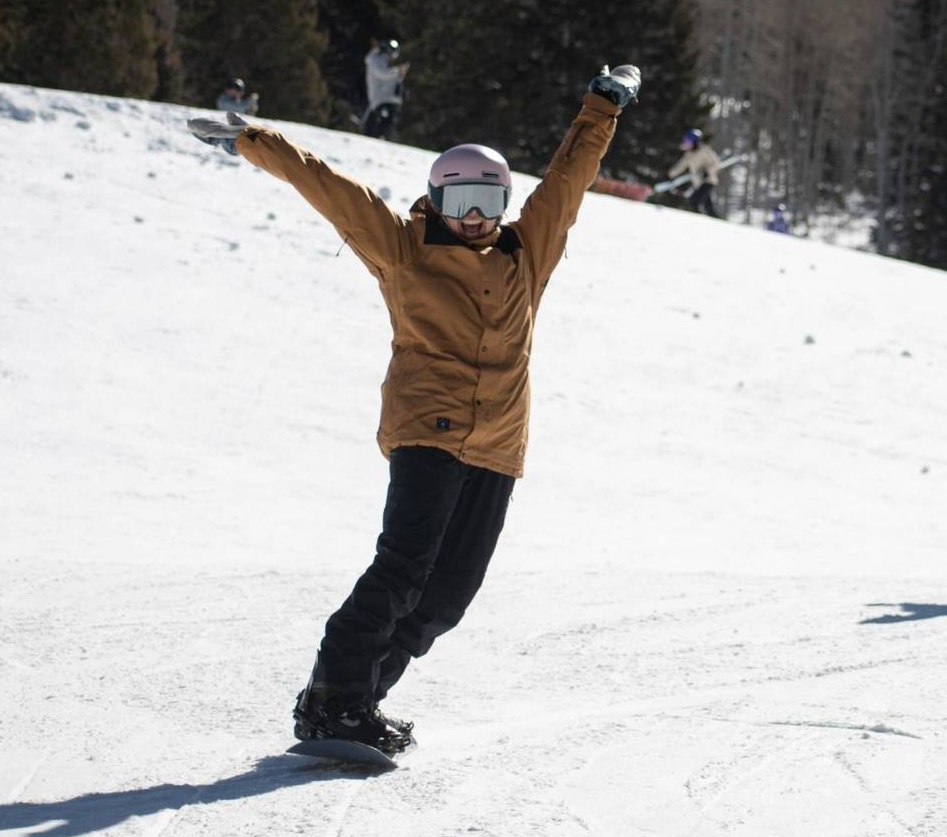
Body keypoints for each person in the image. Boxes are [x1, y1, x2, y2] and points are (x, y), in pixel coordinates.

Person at [187, 62, 642, 756]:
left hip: (497, 444)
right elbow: (332, 191)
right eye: (460, 201)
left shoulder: (526, 252)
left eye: (487, 203)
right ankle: (332, 694)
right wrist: (256, 142)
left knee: (447, 597)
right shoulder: (404, 247)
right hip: (428, 428)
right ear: (436, 198)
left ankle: (355, 703)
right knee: (404, 565)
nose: (474, 217)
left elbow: (568, 182)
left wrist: (602, 108)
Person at [668, 128, 721, 218]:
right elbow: (681, 166)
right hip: (698, 183)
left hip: (708, 181)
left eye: (689, 142)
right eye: (686, 142)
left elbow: (716, 163)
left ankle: (698, 221)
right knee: (708, 207)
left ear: (695, 142)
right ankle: (716, 220)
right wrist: (670, 174)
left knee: (693, 201)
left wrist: (708, 172)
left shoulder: (705, 150)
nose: (687, 144)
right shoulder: (689, 154)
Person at [362, 39, 409, 139]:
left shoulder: (387, 62)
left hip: (391, 99)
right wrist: (397, 71)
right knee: (379, 123)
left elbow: (394, 79)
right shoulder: (375, 60)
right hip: (380, 98)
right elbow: (382, 74)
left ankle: (382, 137)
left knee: (388, 124)